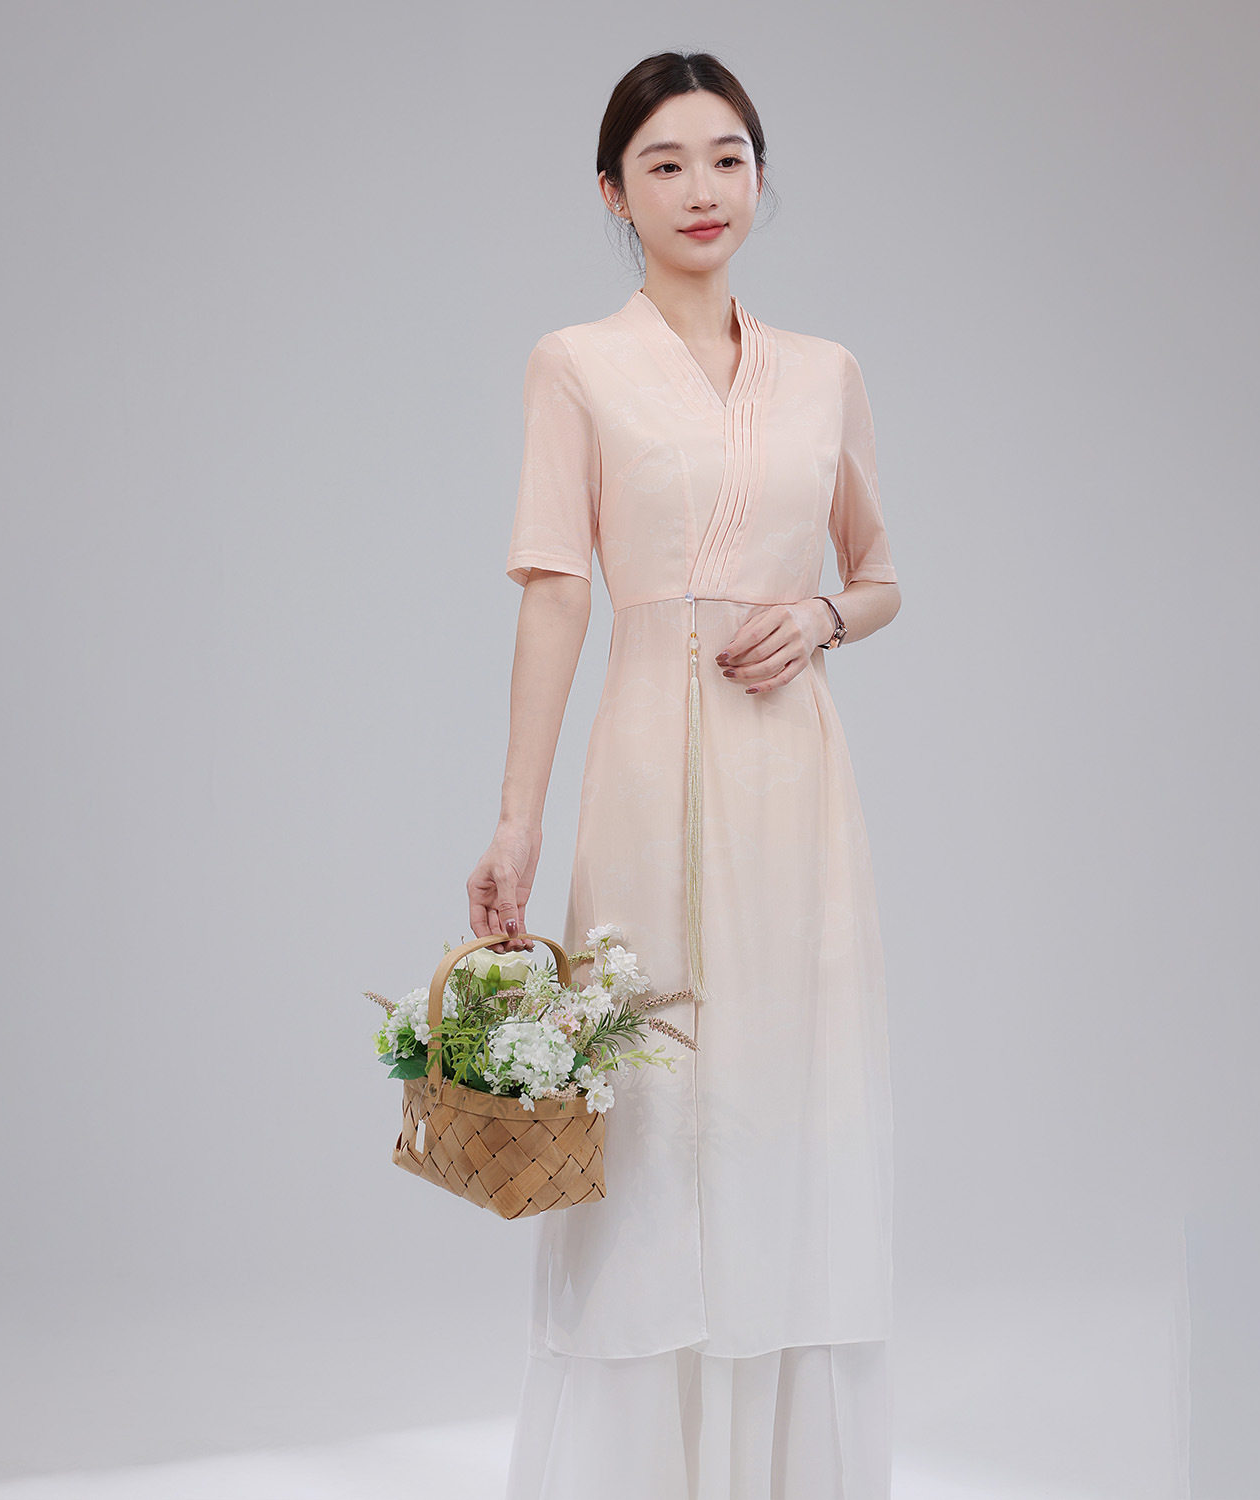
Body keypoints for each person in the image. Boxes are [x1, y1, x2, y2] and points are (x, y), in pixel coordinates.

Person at [466, 50, 903, 1500]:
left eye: (728, 157)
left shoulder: (826, 373)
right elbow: (555, 593)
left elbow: (881, 573)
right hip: (650, 762)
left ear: (760, 176)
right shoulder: (576, 364)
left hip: (795, 780)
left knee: (789, 1096)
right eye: (664, 163)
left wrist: (823, 614)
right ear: (614, 192)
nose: (702, 188)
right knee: (652, 1105)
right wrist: (517, 820)